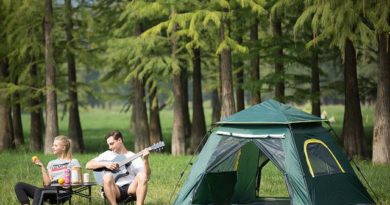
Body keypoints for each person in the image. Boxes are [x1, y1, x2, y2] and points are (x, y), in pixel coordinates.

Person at [86, 130, 150, 205]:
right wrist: (105, 164)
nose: (110, 147)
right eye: (108, 145)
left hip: (131, 188)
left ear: (119, 140)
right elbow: (88, 165)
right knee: (107, 176)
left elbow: (146, 176)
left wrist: (145, 160)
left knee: (142, 175)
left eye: (111, 144)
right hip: (115, 189)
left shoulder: (132, 156)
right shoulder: (107, 154)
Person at [14, 135, 81, 205]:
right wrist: (42, 167)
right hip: (50, 188)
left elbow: (78, 182)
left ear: (63, 148)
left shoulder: (73, 162)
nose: (52, 147)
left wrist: (68, 184)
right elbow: (47, 183)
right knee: (19, 186)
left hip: (63, 191)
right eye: (53, 145)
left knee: (39, 191)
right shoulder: (51, 163)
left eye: (55, 146)